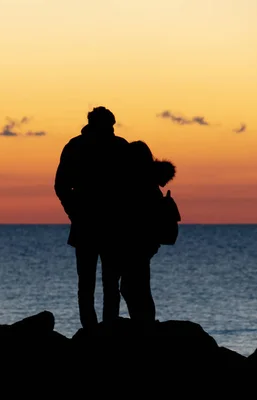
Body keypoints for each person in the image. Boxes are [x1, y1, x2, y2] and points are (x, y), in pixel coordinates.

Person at [54, 106, 130, 331]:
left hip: (100, 225)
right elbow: (61, 185)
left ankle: (98, 329)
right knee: (101, 283)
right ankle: (100, 329)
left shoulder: (78, 146)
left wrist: (74, 211)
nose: (113, 130)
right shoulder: (113, 147)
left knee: (95, 284)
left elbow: (61, 186)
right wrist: (74, 211)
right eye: (110, 126)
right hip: (101, 225)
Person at [102, 140, 176, 324]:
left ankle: (142, 324)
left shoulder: (130, 181)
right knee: (137, 286)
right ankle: (144, 323)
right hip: (145, 243)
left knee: (130, 287)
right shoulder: (148, 182)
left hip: (133, 243)